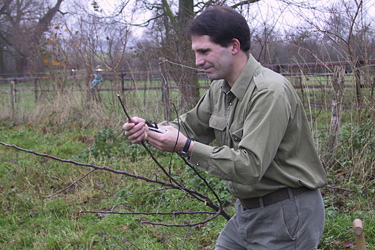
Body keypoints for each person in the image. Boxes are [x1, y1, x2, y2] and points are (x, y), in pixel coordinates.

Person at [123, 6, 327, 250]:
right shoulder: (220, 89)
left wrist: (185, 146)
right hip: (247, 213)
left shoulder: (269, 92)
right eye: (195, 52)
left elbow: (249, 166)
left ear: (234, 46)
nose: (198, 61)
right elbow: (189, 125)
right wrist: (148, 129)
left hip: (286, 214)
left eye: (205, 51)